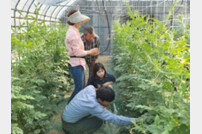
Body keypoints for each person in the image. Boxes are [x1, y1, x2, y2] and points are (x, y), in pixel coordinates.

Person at [62, 85, 138, 134]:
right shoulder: (94, 106)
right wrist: (135, 120)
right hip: (69, 126)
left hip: (66, 116)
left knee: (94, 113)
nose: (109, 104)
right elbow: (114, 119)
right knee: (99, 120)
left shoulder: (90, 88)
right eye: (107, 102)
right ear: (99, 100)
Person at [65, 9, 99, 103]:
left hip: (78, 63)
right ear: (76, 21)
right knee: (79, 88)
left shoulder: (74, 31)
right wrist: (90, 52)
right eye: (80, 20)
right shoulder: (73, 33)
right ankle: (69, 106)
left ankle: (77, 105)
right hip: (75, 64)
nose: (81, 22)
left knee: (81, 87)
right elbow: (77, 52)